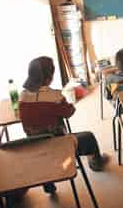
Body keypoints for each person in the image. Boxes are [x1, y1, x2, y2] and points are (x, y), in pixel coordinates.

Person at [19, 56, 108, 193]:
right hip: (56, 147)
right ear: (49, 78)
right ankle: (96, 163)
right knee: (88, 137)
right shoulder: (54, 96)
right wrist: (65, 102)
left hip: (34, 145)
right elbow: (69, 112)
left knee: (46, 141)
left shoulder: (22, 96)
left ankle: (48, 185)